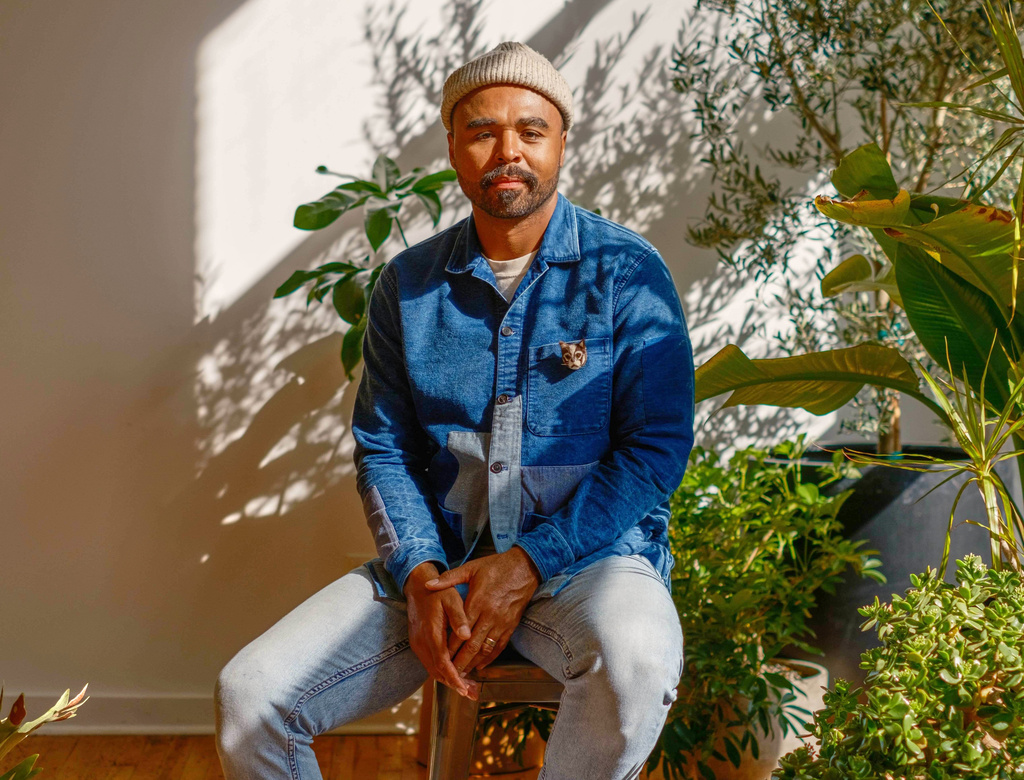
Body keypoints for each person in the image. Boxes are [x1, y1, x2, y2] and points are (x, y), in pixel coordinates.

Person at [215, 41, 695, 780]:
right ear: (453, 147)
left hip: (589, 566)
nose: (508, 150)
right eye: (483, 131)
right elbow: (383, 446)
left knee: (636, 668)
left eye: (531, 130)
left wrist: (531, 561)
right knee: (251, 697)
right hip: (444, 569)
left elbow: (655, 448)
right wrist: (417, 574)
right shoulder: (406, 285)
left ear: (562, 141)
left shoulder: (626, 273)